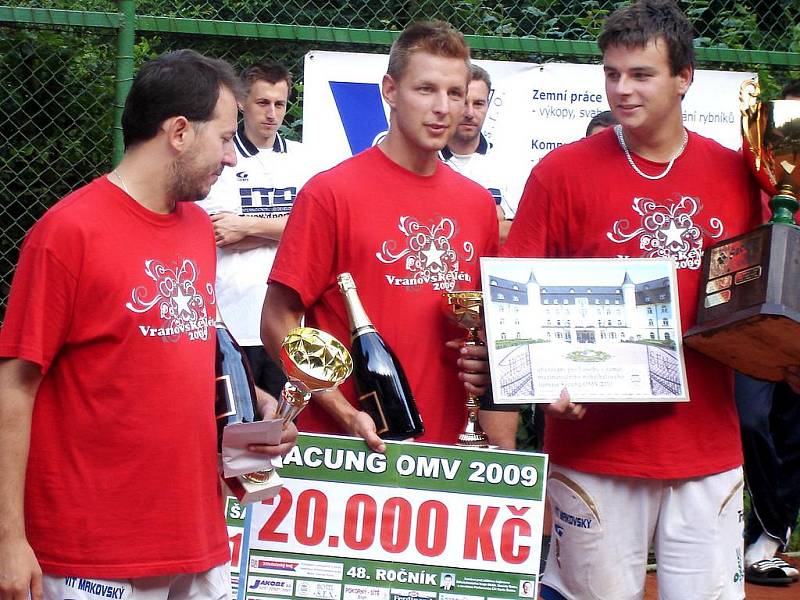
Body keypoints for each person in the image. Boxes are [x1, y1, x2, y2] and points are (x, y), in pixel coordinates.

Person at [0, 50, 297, 600]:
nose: (232, 159)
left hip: (195, 536)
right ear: (179, 132)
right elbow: (13, 389)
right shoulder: (68, 232)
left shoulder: (195, 230)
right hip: (93, 548)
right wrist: (8, 540)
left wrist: (252, 408)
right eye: (226, 139)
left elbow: (179, 355)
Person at [503, 1, 768, 598]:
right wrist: (542, 382)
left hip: (706, 443)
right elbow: (516, 301)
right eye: (611, 73)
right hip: (595, 446)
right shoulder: (561, 173)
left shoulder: (740, 176)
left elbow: (765, 303)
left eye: (641, 74)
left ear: (684, 78)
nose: (621, 90)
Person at [262, 20, 518, 451]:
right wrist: (343, 412)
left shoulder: (477, 205)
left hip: (448, 450)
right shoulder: (331, 193)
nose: (442, 107)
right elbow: (277, 321)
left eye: (455, 93)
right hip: (350, 446)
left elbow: (486, 335)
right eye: (426, 89)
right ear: (390, 91)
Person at [198, 60, 315, 400]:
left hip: (289, 324)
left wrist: (248, 225)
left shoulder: (306, 160)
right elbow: (223, 234)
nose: (272, 114)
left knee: (283, 426)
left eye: (280, 104)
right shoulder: (223, 157)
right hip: (234, 317)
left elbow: (314, 231)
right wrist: (288, 230)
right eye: (263, 103)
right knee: (235, 424)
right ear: (242, 103)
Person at [736, 79, 800, 587]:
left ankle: (768, 538)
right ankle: (748, 526)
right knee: (752, 419)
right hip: (753, 324)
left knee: (797, 433)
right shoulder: (754, 171)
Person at [439, 64, 523, 244]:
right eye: (463, 103)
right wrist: (492, 218)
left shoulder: (512, 164)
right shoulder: (425, 160)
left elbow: (520, 231)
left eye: (478, 104)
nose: (470, 113)